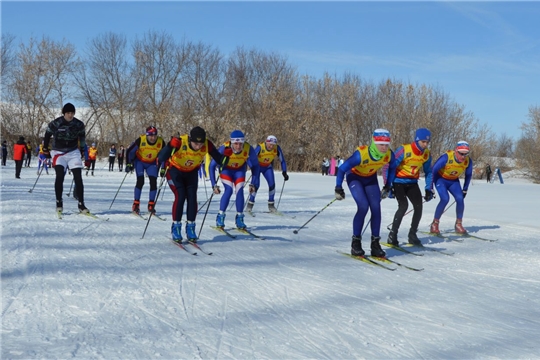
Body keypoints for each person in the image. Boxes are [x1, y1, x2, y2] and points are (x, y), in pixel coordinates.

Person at [158, 126, 231, 242]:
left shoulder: (207, 144)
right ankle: (176, 227)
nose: (198, 146)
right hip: (174, 171)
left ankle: (191, 228)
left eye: (200, 144)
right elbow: (161, 157)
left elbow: (219, 159)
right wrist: (170, 145)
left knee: (192, 198)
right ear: (190, 139)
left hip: (191, 172)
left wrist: (226, 156)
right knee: (180, 195)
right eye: (195, 144)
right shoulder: (181, 142)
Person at [334, 129, 396, 257]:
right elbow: (341, 170)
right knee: (363, 206)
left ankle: (375, 244)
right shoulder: (360, 154)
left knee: (376, 208)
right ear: (374, 142)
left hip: (370, 179)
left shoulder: (389, 154)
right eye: (381, 144)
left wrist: (388, 186)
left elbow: (393, 167)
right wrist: (338, 187)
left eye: (386, 144)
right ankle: (356, 242)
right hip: (354, 177)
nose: (384, 148)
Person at [385, 128, 433, 246]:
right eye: (423, 142)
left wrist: (428, 189)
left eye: (427, 142)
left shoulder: (426, 154)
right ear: (417, 140)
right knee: (403, 206)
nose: (425, 145)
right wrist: (388, 186)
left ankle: (412, 235)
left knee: (418, 206)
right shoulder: (404, 149)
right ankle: (393, 234)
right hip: (398, 182)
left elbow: (429, 172)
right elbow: (389, 167)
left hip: (412, 183)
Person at [42, 103, 89, 213]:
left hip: (73, 152)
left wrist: (82, 149)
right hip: (58, 152)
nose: (70, 115)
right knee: (59, 176)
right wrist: (45, 148)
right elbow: (47, 134)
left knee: (78, 177)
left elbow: (82, 137)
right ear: (64, 113)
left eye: (72, 113)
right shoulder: (56, 123)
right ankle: (59, 202)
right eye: (68, 113)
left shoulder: (79, 124)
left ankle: (81, 204)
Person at [210, 130, 260, 230]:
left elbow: (256, 166)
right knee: (229, 190)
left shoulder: (248, 148)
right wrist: (214, 184)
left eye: (240, 143)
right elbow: (212, 166)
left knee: (240, 190)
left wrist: (253, 183)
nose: (238, 146)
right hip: (226, 170)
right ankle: (220, 217)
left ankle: (240, 218)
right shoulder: (225, 148)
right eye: (236, 144)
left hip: (239, 170)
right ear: (232, 142)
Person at [429, 141, 473, 235]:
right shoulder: (446, 157)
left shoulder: (468, 161)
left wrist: (465, 189)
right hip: (440, 179)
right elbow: (433, 171)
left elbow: (468, 175)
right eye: (461, 153)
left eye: (466, 154)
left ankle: (458, 224)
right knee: (445, 199)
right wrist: (430, 187)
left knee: (460, 198)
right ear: (456, 151)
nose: (463, 156)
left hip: (453, 181)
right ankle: (435, 224)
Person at [126, 126, 164, 216]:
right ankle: (136, 204)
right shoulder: (141, 140)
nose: (153, 138)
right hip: (140, 161)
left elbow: (165, 155)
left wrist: (163, 168)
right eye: (150, 135)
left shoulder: (161, 142)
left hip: (152, 163)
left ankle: (151, 205)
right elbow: (129, 151)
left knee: (153, 182)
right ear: (147, 135)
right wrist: (129, 163)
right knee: (140, 181)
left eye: (154, 135)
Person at [246, 135, 288, 214]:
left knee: (272, 185)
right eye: (269, 144)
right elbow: (249, 159)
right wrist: (252, 167)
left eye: (273, 145)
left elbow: (282, 160)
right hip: (257, 167)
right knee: (256, 185)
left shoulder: (277, 148)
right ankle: (250, 205)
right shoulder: (260, 147)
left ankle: (271, 206)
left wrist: (284, 172)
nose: (271, 146)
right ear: (266, 142)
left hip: (267, 167)